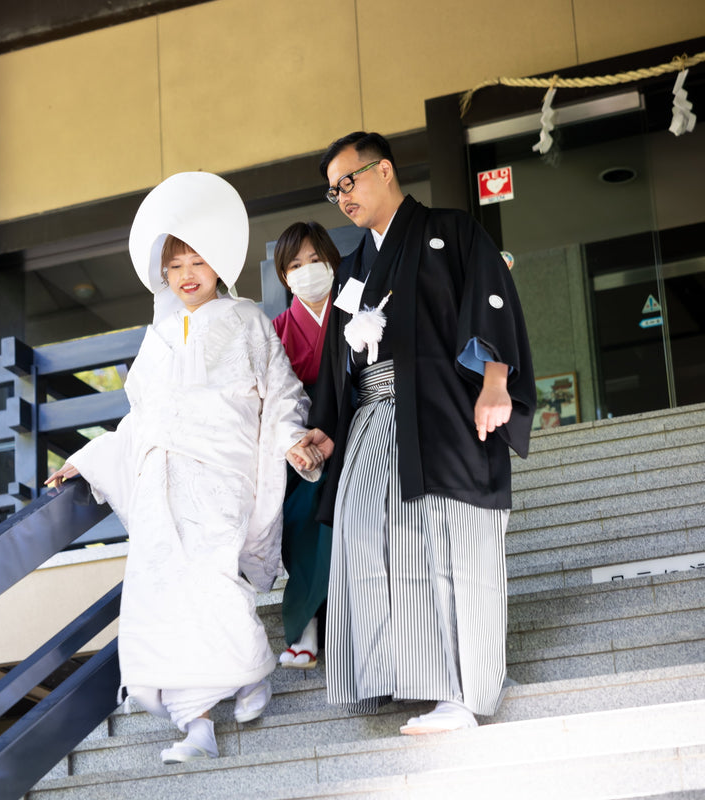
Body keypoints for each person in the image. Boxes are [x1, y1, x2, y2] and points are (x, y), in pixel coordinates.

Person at [45, 171, 320, 764]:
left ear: (218, 265)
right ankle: (195, 726)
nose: (188, 273)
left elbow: (283, 394)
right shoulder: (157, 337)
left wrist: (291, 439)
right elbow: (141, 419)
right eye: (176, 264)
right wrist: (87, 461)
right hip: (160, 486)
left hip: (222, 476)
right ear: (163, 275)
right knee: (159, 596)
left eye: (198, 260)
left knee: (212, 583)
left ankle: (250, 671)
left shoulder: (248, 321)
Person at [293, 132, 535, 735]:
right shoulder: (352, 272)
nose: (341, 196)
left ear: (385, 170)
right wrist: (325, 432)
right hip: (373, 420)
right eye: (333, 190)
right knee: (365, 534)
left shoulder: (451, 231)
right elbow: (334, 366)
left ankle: (460, 692)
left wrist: (496, 381)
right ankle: (388, 674)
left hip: (443, 411)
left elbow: (492, 301)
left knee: (447, 540)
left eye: (348, 181)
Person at [270, 221, 339, 670]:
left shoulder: (357, 309)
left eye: (316, 260)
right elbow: (271, 399)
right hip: (299, 442)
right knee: (297, 510)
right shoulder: (274, 329)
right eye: (296, 264)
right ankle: (307, 625)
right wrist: (295, 441)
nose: (308, 270)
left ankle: (316, 623)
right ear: (284, 277)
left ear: (333, 261)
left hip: (357, 428)